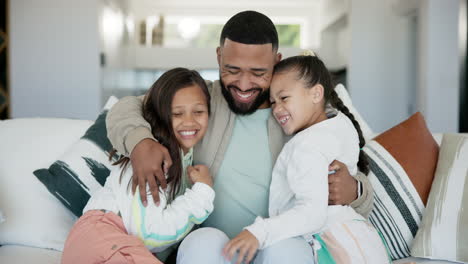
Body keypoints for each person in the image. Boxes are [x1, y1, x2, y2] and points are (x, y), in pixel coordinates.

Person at [106, 10, 374, 263]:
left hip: (279, 241)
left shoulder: (300, 113)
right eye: (232, 70)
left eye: (258, 73)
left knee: (288, 250)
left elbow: (351, 173)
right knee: (202, 242)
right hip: (212, 244)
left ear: (276, 62)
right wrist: (140, 142)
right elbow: (125, 108)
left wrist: (357, 191)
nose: (244, 85)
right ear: (219, 56)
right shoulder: (200, 101)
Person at [223, 55, 390, 264]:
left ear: (316, 93)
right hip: (358, 236)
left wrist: (258, 232)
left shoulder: (307, 145)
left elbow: (312, 213)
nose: (276, 109)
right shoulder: (339, 123)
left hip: (335, 244)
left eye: (284, 98)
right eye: (273, 102)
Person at [61, 68, 215, 264]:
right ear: (160, 115)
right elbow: (150, 235)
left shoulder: (184, 154)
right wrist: (202, 193)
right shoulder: (152, 161)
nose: (189, 122)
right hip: (100, 238)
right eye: (177, 114)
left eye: (199, 112)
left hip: (116, 244)